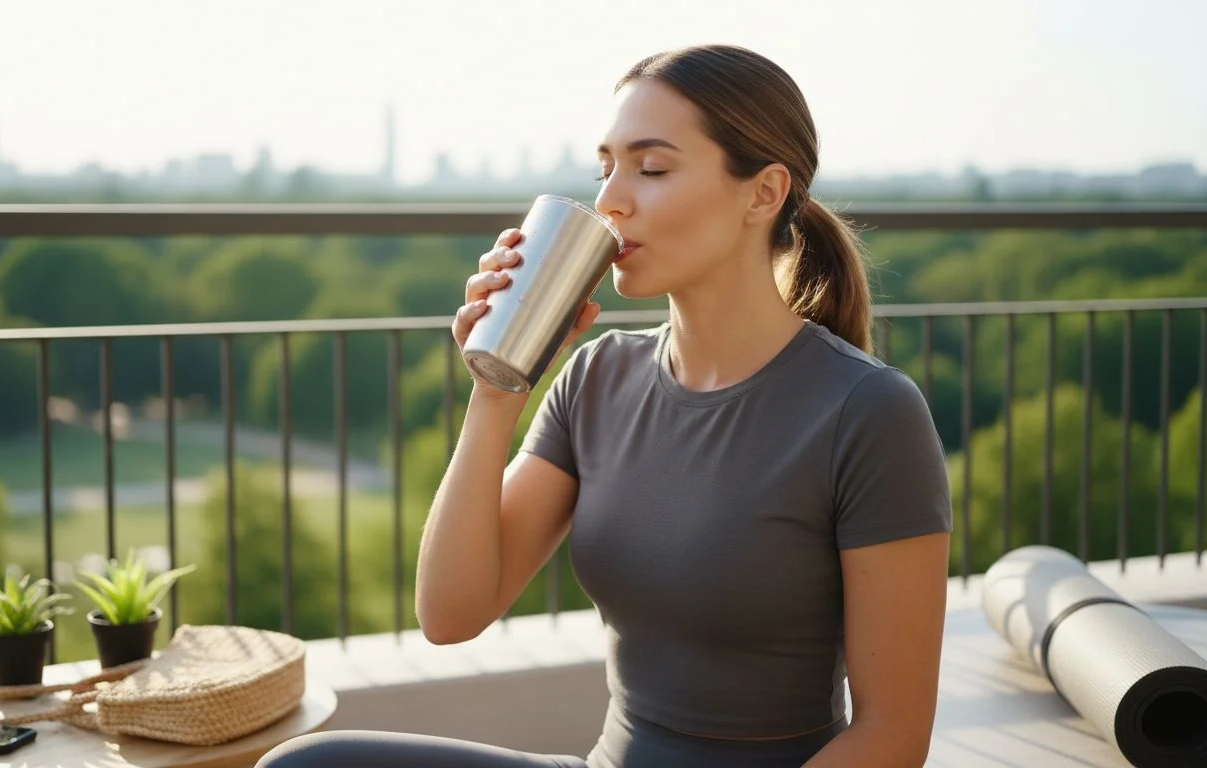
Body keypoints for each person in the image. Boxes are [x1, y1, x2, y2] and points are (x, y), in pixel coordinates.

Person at [257, 43, 952, 768]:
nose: (612, 200)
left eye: (651, 169)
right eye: (606, 170)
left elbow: (892, 736)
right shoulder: (597, 377)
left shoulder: (868, 412)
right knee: (306, 765)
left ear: (763, 193)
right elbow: (450, 614)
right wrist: (496, 392)